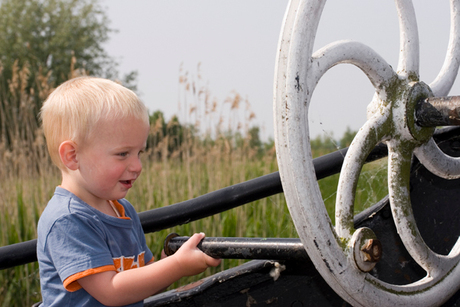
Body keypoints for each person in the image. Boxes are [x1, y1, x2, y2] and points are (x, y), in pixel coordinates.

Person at [37, 76, 221, 306]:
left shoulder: (122, 210)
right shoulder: (68, 219)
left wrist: (167, 263)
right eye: (123, 154)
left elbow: (140, 283)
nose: (137, 166)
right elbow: (111, 291)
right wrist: (177, 266)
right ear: (72, 156)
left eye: (139, 153)